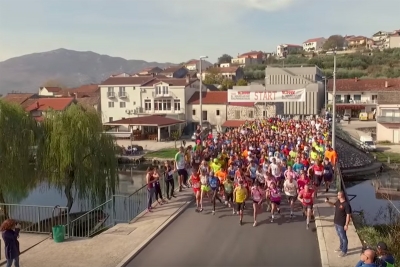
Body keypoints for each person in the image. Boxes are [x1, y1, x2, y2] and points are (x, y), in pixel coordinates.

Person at [325, 191, 352, 257]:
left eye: (338, 195)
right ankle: (341, 247)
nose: (337, 196)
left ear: (341, 196)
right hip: (336, 222)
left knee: (343, 237)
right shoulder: (338, 202)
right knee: (339, 235)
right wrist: (327, 202)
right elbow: (334, 205)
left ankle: (344, 251)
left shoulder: (346, 205)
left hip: (341, 224)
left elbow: (348, 215)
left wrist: (346, 224)